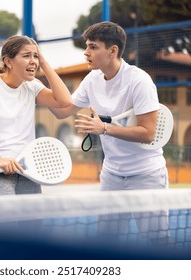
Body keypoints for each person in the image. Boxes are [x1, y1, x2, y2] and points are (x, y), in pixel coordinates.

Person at [50, 21, 170, 244]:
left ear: (112, 50)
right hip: (112, 175)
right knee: (106, 241)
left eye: (93, 46)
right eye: (86, 46)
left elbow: (148, 133)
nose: (86, 52)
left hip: (146, 175)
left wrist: (103, 128)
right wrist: (37, 85)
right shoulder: (92, 79)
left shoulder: (139, 81)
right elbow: (62, 110)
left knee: (158, 242)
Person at [0, 35, 71, 196]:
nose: (33, 61)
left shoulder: (32, 87)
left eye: (35, 56)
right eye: (26, 56)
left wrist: (43, 62)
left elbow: (65, 101)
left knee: (32, 221)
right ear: (8, 61)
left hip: (27, 170)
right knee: (3, 220)